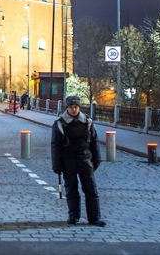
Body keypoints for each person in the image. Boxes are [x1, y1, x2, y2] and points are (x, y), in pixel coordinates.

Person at [51, 95, 106, 226]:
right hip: (68, 161)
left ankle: (94, 218)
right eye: (71, 107)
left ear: (79, 108)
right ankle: (73, 216)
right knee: (71, 190)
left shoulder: (88, 122)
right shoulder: (59, 124)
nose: (74, 110)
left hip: (85, 160)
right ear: (67, 108)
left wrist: (96, 160)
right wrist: (56, 165)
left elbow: (94, 143)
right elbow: (55, 146)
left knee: (91, 190)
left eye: (76, 107)